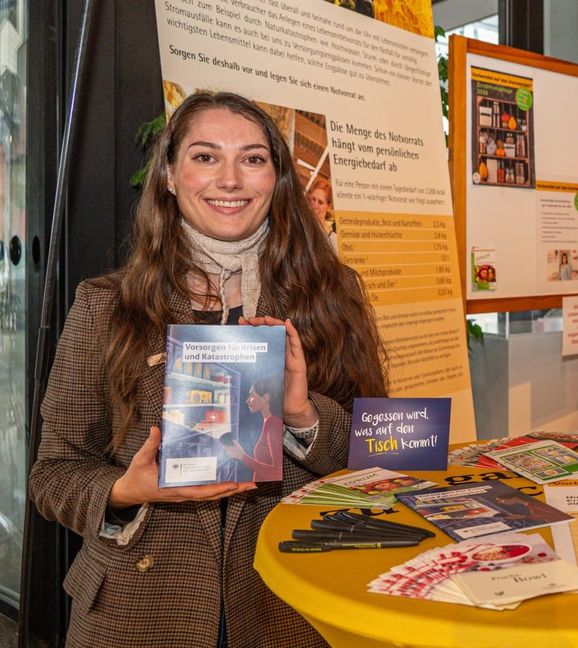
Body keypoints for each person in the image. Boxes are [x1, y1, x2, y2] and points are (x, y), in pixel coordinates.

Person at [28, 91, 387, 647]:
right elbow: (52, 475)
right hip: (138, 613)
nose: (230, 179)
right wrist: (126, 490)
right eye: (204, 156)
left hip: (288, 607)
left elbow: (379, 455)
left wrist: (302, 415)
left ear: (277, 178)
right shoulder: (107, 306)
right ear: (170, 175)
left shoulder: (329, 296)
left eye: (252, 158)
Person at [224, 376, 285, 483]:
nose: (247, 401)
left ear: (265, 398)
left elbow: (277, 472)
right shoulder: (268, 421)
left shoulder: (273, 424)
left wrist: (241, 456)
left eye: (252, 395)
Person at [306, 177, 338, 249]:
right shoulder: (300, 228)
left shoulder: (333, 240)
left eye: (320, 202)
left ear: (329, 206)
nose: (315, 205)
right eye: (313, 199)